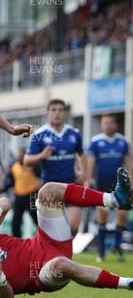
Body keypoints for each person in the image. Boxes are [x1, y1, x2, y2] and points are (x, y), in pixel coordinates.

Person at [0, 168, 133, 298]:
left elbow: (5, 203)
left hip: (44, 240)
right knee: (62, 265)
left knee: (48, 191)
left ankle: (115, 199)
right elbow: (9, 297)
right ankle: (130, 283)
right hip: (40, 274)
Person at [24, 99, 88, 235]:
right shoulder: (39, 135)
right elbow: (26, 160)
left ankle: (64, 254)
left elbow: (82, 154)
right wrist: (42, 155)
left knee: (73, 226)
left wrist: (84, 173)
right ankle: (50, 255)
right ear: (47, 113)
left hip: (70, 186)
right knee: (52, 231)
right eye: (53, 110)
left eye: (60, 110)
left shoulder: (74, 133)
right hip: (49, 189)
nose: (57, 113)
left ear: (64, 112)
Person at [87, 113, 131, 263]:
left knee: (122, 217)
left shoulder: (123, 141)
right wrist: (87, 181)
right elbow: (90, 164)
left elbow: (129, 163)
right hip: (102, 186)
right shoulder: (95, 142)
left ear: (116, 124)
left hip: (120, 186)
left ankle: (117, 247)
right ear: (102, 125)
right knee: (103, 218)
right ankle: (101, 251)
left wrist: (130, 183)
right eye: (106, 123)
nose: (109, 125)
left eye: (111, 122)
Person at [3, 148, 40, 237]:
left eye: (21, 155)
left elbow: (40, 175)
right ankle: (16, 241)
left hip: (31, 195)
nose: (20, 157)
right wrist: (4, 187)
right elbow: (10, 181)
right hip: (19, 196)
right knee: (16, 220)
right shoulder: (14, 167)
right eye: (18, 155)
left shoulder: (32, 166)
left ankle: (46, 239)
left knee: (36, 219)